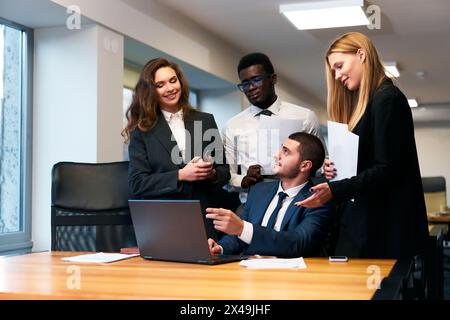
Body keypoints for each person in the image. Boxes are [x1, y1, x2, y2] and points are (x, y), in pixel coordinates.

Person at [296, 32, 428, 259]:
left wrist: (336, 189)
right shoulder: (368, 103)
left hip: (385, 227)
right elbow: (369, 162)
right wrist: (336, 169)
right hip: (367, 222)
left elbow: (387, 169)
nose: (337, 76)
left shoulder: (387, 99)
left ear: (361, 54)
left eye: (339, 66)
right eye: (333, 71)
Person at [122, 57, 230, 239]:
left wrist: (210, 173)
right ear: (150, 90)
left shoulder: (204, 120)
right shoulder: (142, 130)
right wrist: (181, 175)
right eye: (160, 84)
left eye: (173, 80)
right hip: (162, 221)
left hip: (204, 217)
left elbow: (224, 172)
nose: (170, 88)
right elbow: (137, 184)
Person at [206, 132, 333, 258]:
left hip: (292, 274)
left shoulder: (319, 200)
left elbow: (297, 243)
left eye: (286, 151)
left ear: (304, 165)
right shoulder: (258, 191)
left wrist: (243, 228)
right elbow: (239, 237)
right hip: (250, 272)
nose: (276, 155)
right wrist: (220, 248)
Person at [223, 52, 323, 205]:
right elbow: (226, 177)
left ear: (273, 79)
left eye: (256, 79)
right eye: (244, 84)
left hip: (296, 204)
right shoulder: (232, 126)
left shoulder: (305, 117)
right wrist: (243, 180)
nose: (250, 88)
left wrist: (297, 170)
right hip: (252, 205)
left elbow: (321, 165)